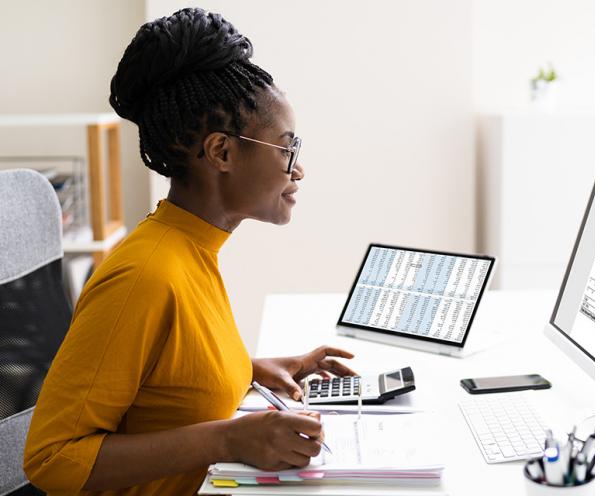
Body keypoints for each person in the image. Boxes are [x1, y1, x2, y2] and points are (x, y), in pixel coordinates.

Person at [23, 8, 355, 495]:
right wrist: (227, 438)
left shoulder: (194, 248)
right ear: (222, 152)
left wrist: (259, 369)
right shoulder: (145, 277)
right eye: (287, 149)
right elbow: (51, 459)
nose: (297, 170)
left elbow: (171, 381)